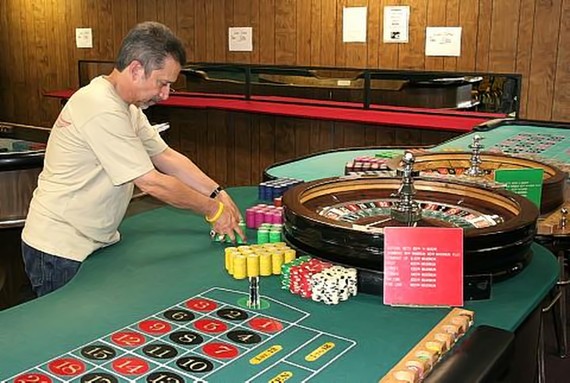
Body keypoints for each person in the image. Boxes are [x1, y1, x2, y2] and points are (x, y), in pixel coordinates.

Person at [21, 21, 245, 297]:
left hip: (94, 240)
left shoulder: (127, 107)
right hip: (59, 247)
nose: (165, 94)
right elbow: (153, 183)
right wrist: (213, 210)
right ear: (137, 69)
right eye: (162, 83)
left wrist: (216, 191)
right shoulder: (100, 107)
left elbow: (166, 157)